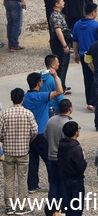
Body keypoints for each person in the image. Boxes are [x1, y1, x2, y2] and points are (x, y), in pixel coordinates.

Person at [24, 69, 64, 193]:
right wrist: (56, 76)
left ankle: (32, 185)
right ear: (39, 84)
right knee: (49, 160)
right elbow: (60, 91)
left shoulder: (25, 97)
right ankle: (53, 184)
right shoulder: (41, 96)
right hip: (41, 133)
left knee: (33, 159)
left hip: (29, 133)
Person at [0, 87, 38, 215]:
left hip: (8, 152)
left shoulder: (5, 114)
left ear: (11, 98)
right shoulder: (28, 114)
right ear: (23, 99)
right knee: (22, 179)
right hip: (23, 152)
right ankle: (23, 206)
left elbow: (0, 133)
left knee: (8, 179)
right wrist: (27, 140)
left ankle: (9, 206)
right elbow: (34, 131)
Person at [71, 3, 98, 110]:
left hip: (83, 54)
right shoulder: (96, 26)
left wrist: (76, 54)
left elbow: (75, 41)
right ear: (93, 12)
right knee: (95, 77)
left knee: (87, 78)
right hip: (94, 56)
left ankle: (89, 101)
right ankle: (94, 102)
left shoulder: (77, 24)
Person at [44, 99, 73, 207]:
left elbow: (45, 135)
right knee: (63, 184)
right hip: (63, 158)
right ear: (70, 108)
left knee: (53, 183)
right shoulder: (68, 123)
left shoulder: (51, 120)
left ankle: (51, 207)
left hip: (51, 156)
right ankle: (63, 207)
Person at [57, 120, 86, 216]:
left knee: (68, 204)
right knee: (77, 205)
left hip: (64, 176)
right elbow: (81, 166)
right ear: (76, 132)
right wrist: (84, 159)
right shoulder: (76, 148)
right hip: (76, 179)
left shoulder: (61, 145)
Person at [48, 0, 72, 88]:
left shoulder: (59, 14)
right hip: (59, 43)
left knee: (63, 65)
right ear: (57, 4)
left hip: (61, 42)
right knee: (62, 65)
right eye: (62, 1)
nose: (64, 2)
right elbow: (58, 30)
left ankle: (62, 84)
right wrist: (64, 45)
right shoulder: (55, 15)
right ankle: (60, 86)